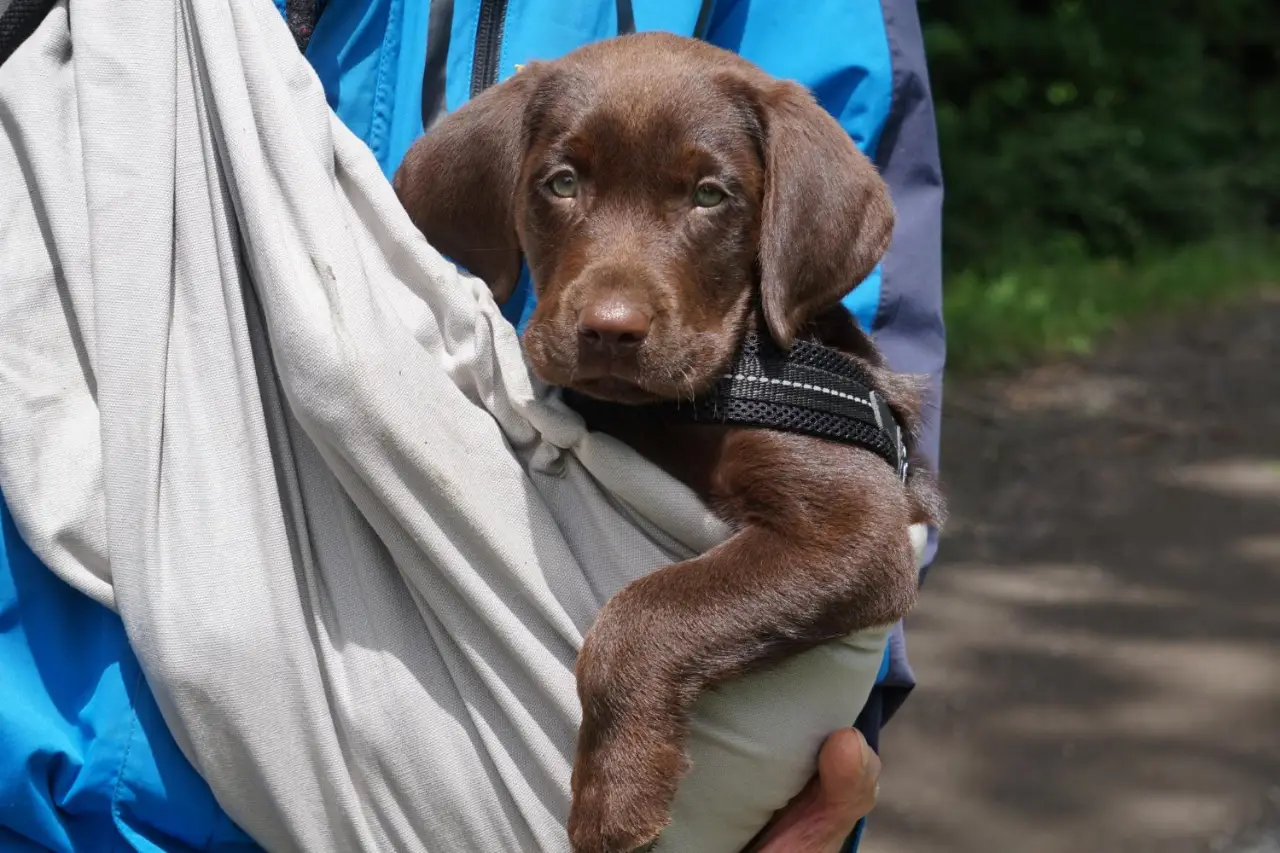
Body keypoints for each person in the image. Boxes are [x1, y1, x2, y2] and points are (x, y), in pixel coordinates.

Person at [0, 0, 943, 850]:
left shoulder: (775, 393)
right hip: (79, 761)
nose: (614, 301)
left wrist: (799, 738)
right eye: (564, 185)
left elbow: (869, 541)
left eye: (705, 198)